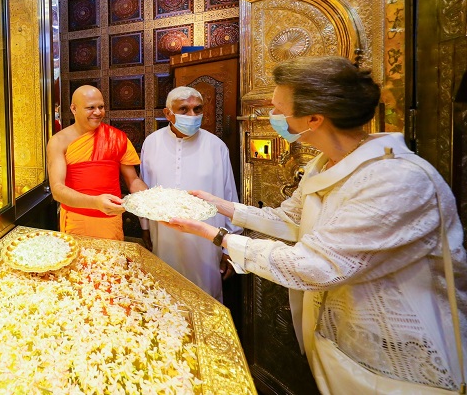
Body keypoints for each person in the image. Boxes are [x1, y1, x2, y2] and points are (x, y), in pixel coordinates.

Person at [166, 56, 467, 393]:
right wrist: (218, 205)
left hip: (401, 359)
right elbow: (290, 219)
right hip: (338, 338)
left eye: (279, 108)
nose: (272, 115)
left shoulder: (396, 179)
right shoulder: (323, 165)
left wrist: (217, 236)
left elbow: (319, 265)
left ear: (313, 119)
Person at [139, 86, 241, 301]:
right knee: (165, 298)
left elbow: (229, 196)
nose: (192, 115)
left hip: (206, 242)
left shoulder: (216, 146)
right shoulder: (152, 143)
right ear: (168, 113)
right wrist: (145, 228)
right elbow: (144, 190)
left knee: (205, 298)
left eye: (197, 109)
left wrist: (229, 248)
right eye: (184, 109)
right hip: (163, 237)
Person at [47, 85, 147, 241]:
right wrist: (95, 202)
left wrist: (153, 200)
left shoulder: (117, 138)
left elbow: (133, 180)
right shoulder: (58, 141)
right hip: (76, 220)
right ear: (74, 108)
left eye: (101, 107)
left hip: (110, 220)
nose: (98, 112)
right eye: (90, 108)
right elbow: (57, 190)